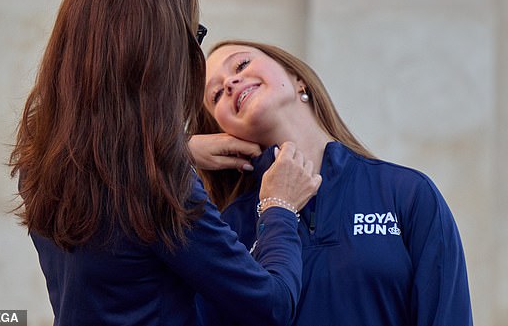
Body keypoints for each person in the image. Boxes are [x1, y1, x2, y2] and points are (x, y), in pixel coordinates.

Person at [8, 0, 322, 326]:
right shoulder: (157, 184)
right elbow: (270, 306)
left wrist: (181, 149)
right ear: (159, 53)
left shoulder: (41, 159)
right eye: (194, 35)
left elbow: (110, 167)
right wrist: (279, 206)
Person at [191, 40, 474, 326]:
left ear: (298, 79)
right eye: (215, 95)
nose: (230, 83)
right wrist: (181, 150)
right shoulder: (226, 230)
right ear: (223, 131)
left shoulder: (407, 193)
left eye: (241, 65)